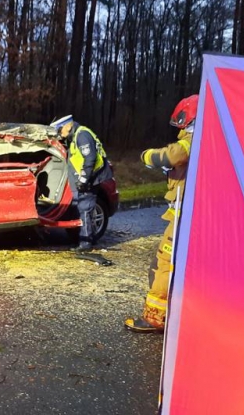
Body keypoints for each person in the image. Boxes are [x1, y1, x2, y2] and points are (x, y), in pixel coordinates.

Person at [124, 94, 198, 333]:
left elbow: (172, 155)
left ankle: (155, 318)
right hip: (192, 217)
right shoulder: (211, 142)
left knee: (165, 263)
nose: (180, 129)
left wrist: (147, 156)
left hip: (183, 219)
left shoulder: (194, 140)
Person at [49, 114, 113, 253]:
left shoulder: (82, 135)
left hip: (90, 179)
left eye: (60, 130)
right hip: (86, 179)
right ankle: (87, 239)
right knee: (84, 209)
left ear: (68, 126)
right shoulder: (74, 137)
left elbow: (90, 159)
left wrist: (83, 180)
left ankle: (86, 243)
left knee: (85, 209)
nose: (59, 134)